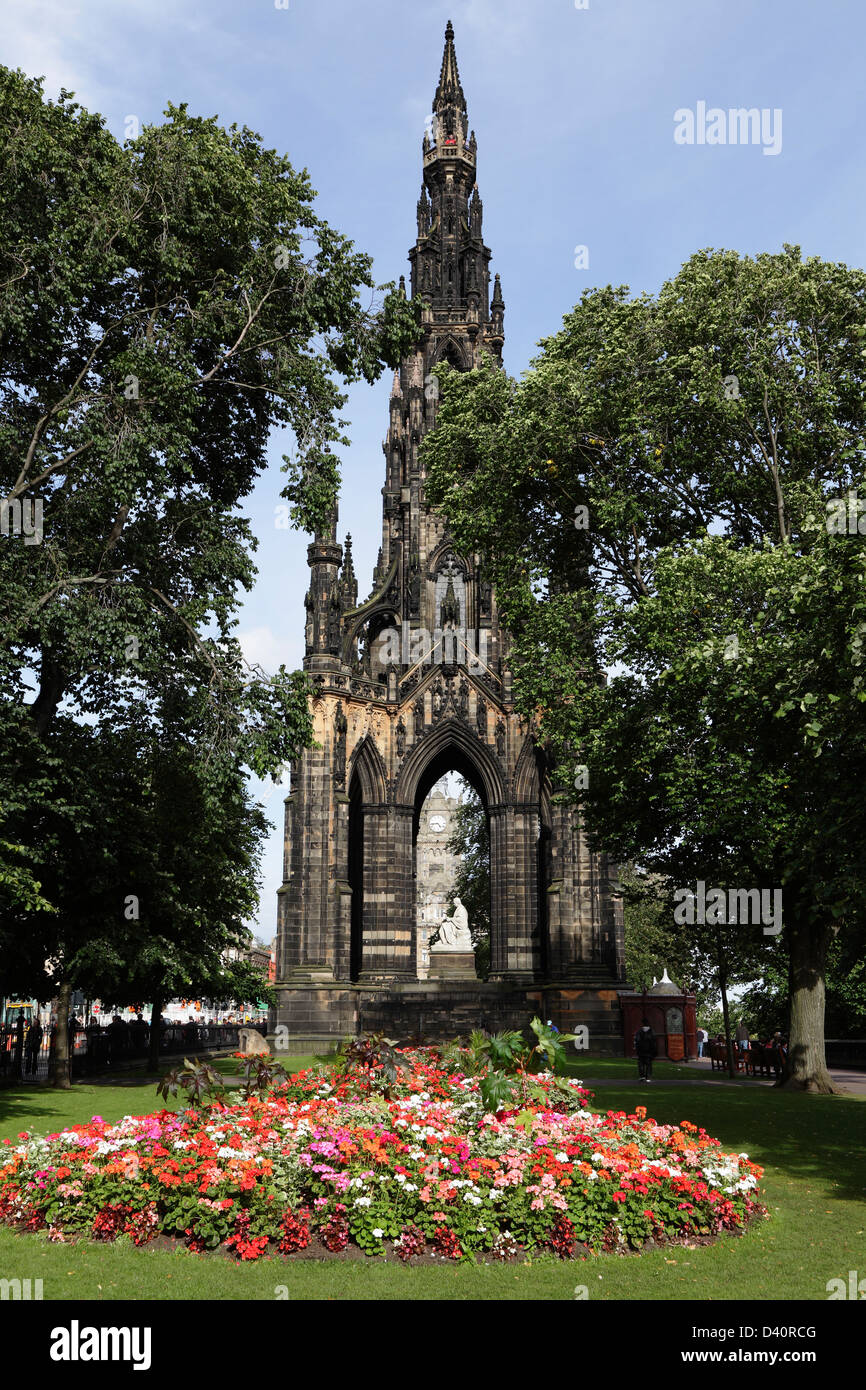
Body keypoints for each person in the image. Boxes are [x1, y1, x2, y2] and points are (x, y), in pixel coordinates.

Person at [634, 1018, 658, 1082]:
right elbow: (654, 1042)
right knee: (648, 1064)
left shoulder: (639, 1031)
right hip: (649, 1050)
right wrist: (654, 1050)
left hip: (641, 1050)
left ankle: (642, 1076)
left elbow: (637, 1040)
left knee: (641, 1063)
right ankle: (648, 1077)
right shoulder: (652, 1031)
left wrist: (637, 1048)